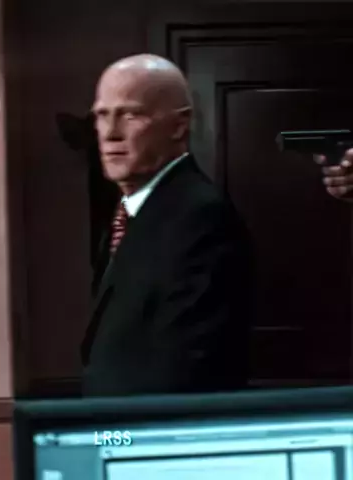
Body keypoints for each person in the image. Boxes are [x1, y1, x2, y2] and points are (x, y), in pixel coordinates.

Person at [80, 53, 255, 396]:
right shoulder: (131, 211)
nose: (111, 134)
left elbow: (187, 366)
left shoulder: (201, 217)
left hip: (153, 425)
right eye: (102, 115)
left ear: (178, 125)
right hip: (114, 420)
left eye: (131, 115)